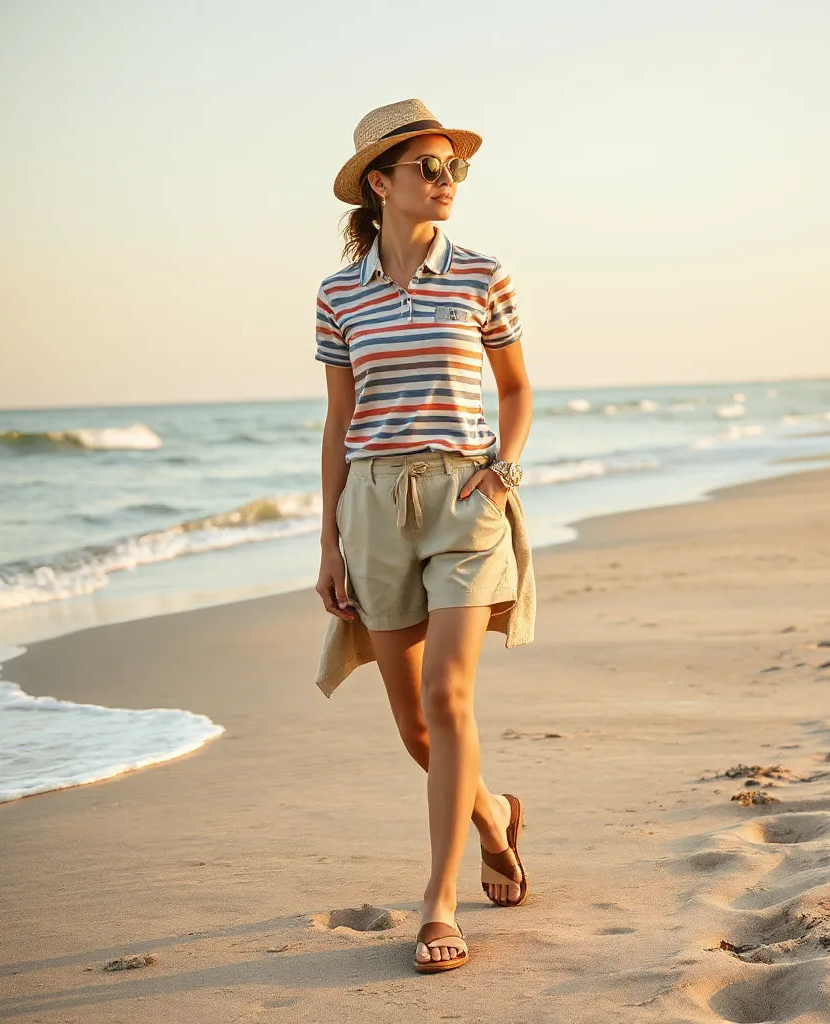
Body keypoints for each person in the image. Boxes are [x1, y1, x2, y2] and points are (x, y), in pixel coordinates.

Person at [314, 99, 534, 974]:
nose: (447, 183)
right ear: (381, 184)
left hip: (465, 499)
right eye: (428, 169)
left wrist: (502, 471)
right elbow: (338, 422)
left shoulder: (482, 274)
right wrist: (329, 541)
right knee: (415, 729)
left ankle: (438, 905)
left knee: (449, 698)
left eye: (455, 169)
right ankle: (495, 815)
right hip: (370, 507)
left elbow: (515, 391)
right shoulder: (338, 295)